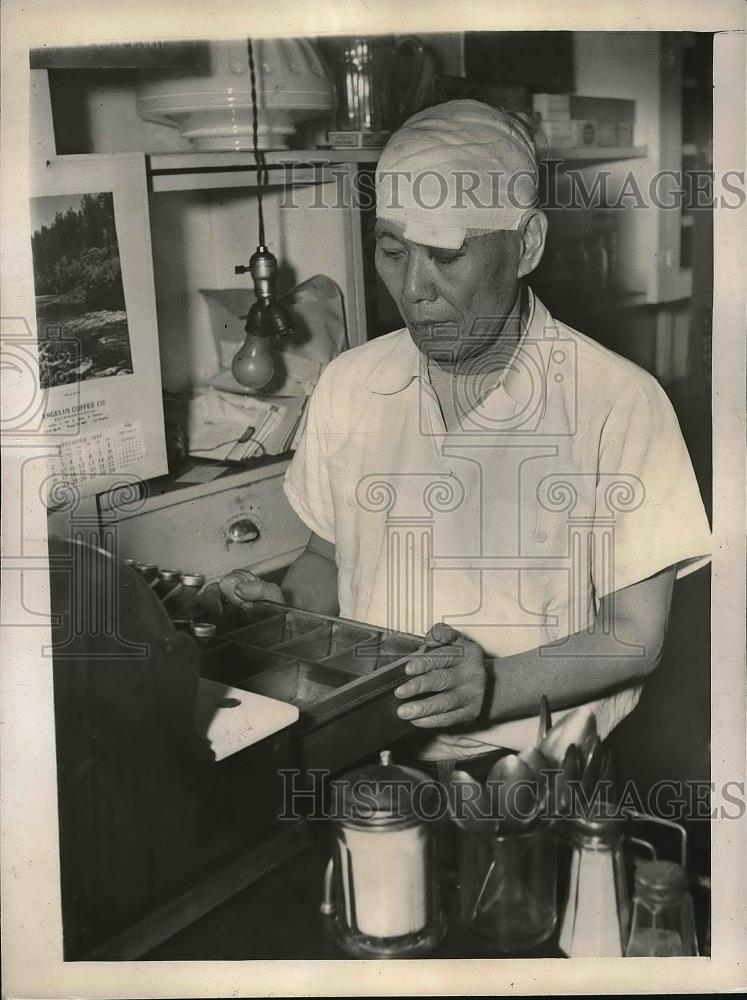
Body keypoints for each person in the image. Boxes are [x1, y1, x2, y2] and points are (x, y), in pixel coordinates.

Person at [213, 100, 711, 772]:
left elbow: (634, 635)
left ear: (525, 243)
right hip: (370, 754)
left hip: (536, 776)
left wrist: (494, 687)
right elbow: (328, 559)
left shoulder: (616, 403)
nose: (414, 289)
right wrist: (288, 610)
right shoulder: (350, 385)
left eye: (446, 256)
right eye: (391, 250)